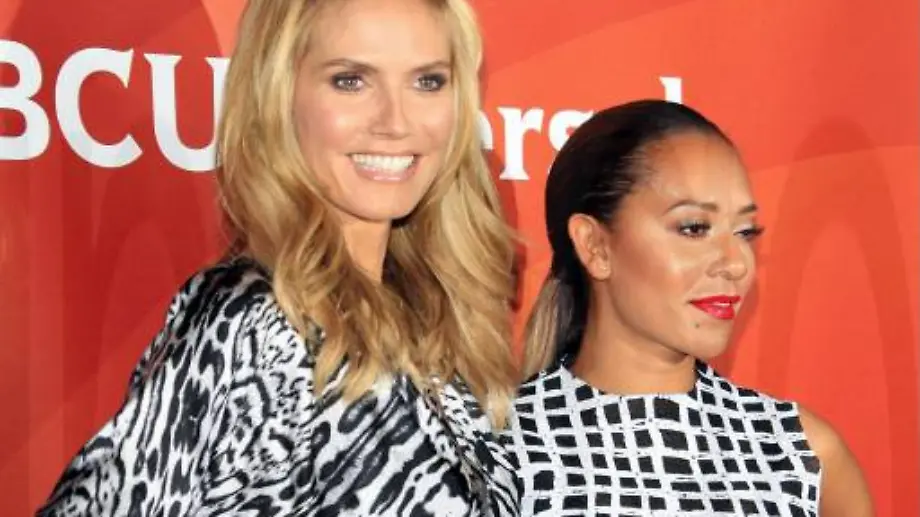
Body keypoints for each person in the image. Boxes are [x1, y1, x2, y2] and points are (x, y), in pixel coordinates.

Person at [37, 0, 522, 515]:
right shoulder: (258, 320)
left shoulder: (434, 322)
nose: (396, 121)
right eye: (351, 81)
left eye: (427, 81)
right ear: (279, 96)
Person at [503, 100, 873, 516]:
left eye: (745, 231)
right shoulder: (501, 451)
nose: (737, 263)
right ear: (595, 246)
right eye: (694, 228)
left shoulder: (803, 455)